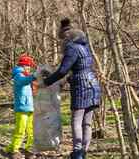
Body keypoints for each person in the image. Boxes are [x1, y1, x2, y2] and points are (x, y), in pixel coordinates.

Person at [41, 18, 101, 159]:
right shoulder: (84, 46)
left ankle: (77, 153)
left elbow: (62, 70)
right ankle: (83, 152)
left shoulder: (72, 47)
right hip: (93, 84)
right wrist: (67, 80)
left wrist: (46, 82)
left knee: (76, 120)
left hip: (82, 87)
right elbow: (82, 67)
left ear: (66, 35)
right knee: (87, 123)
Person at [5, 54, 37, 159]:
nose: (29, 68)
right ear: (24, 65)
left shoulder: (26, 75)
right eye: (28, 66)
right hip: (22, 108)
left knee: (31, 130)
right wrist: (34, 76)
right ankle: (13, 150)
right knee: (20, 130)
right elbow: (24, 81)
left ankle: (29, 150)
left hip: (30, 107)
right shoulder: (18, 75)